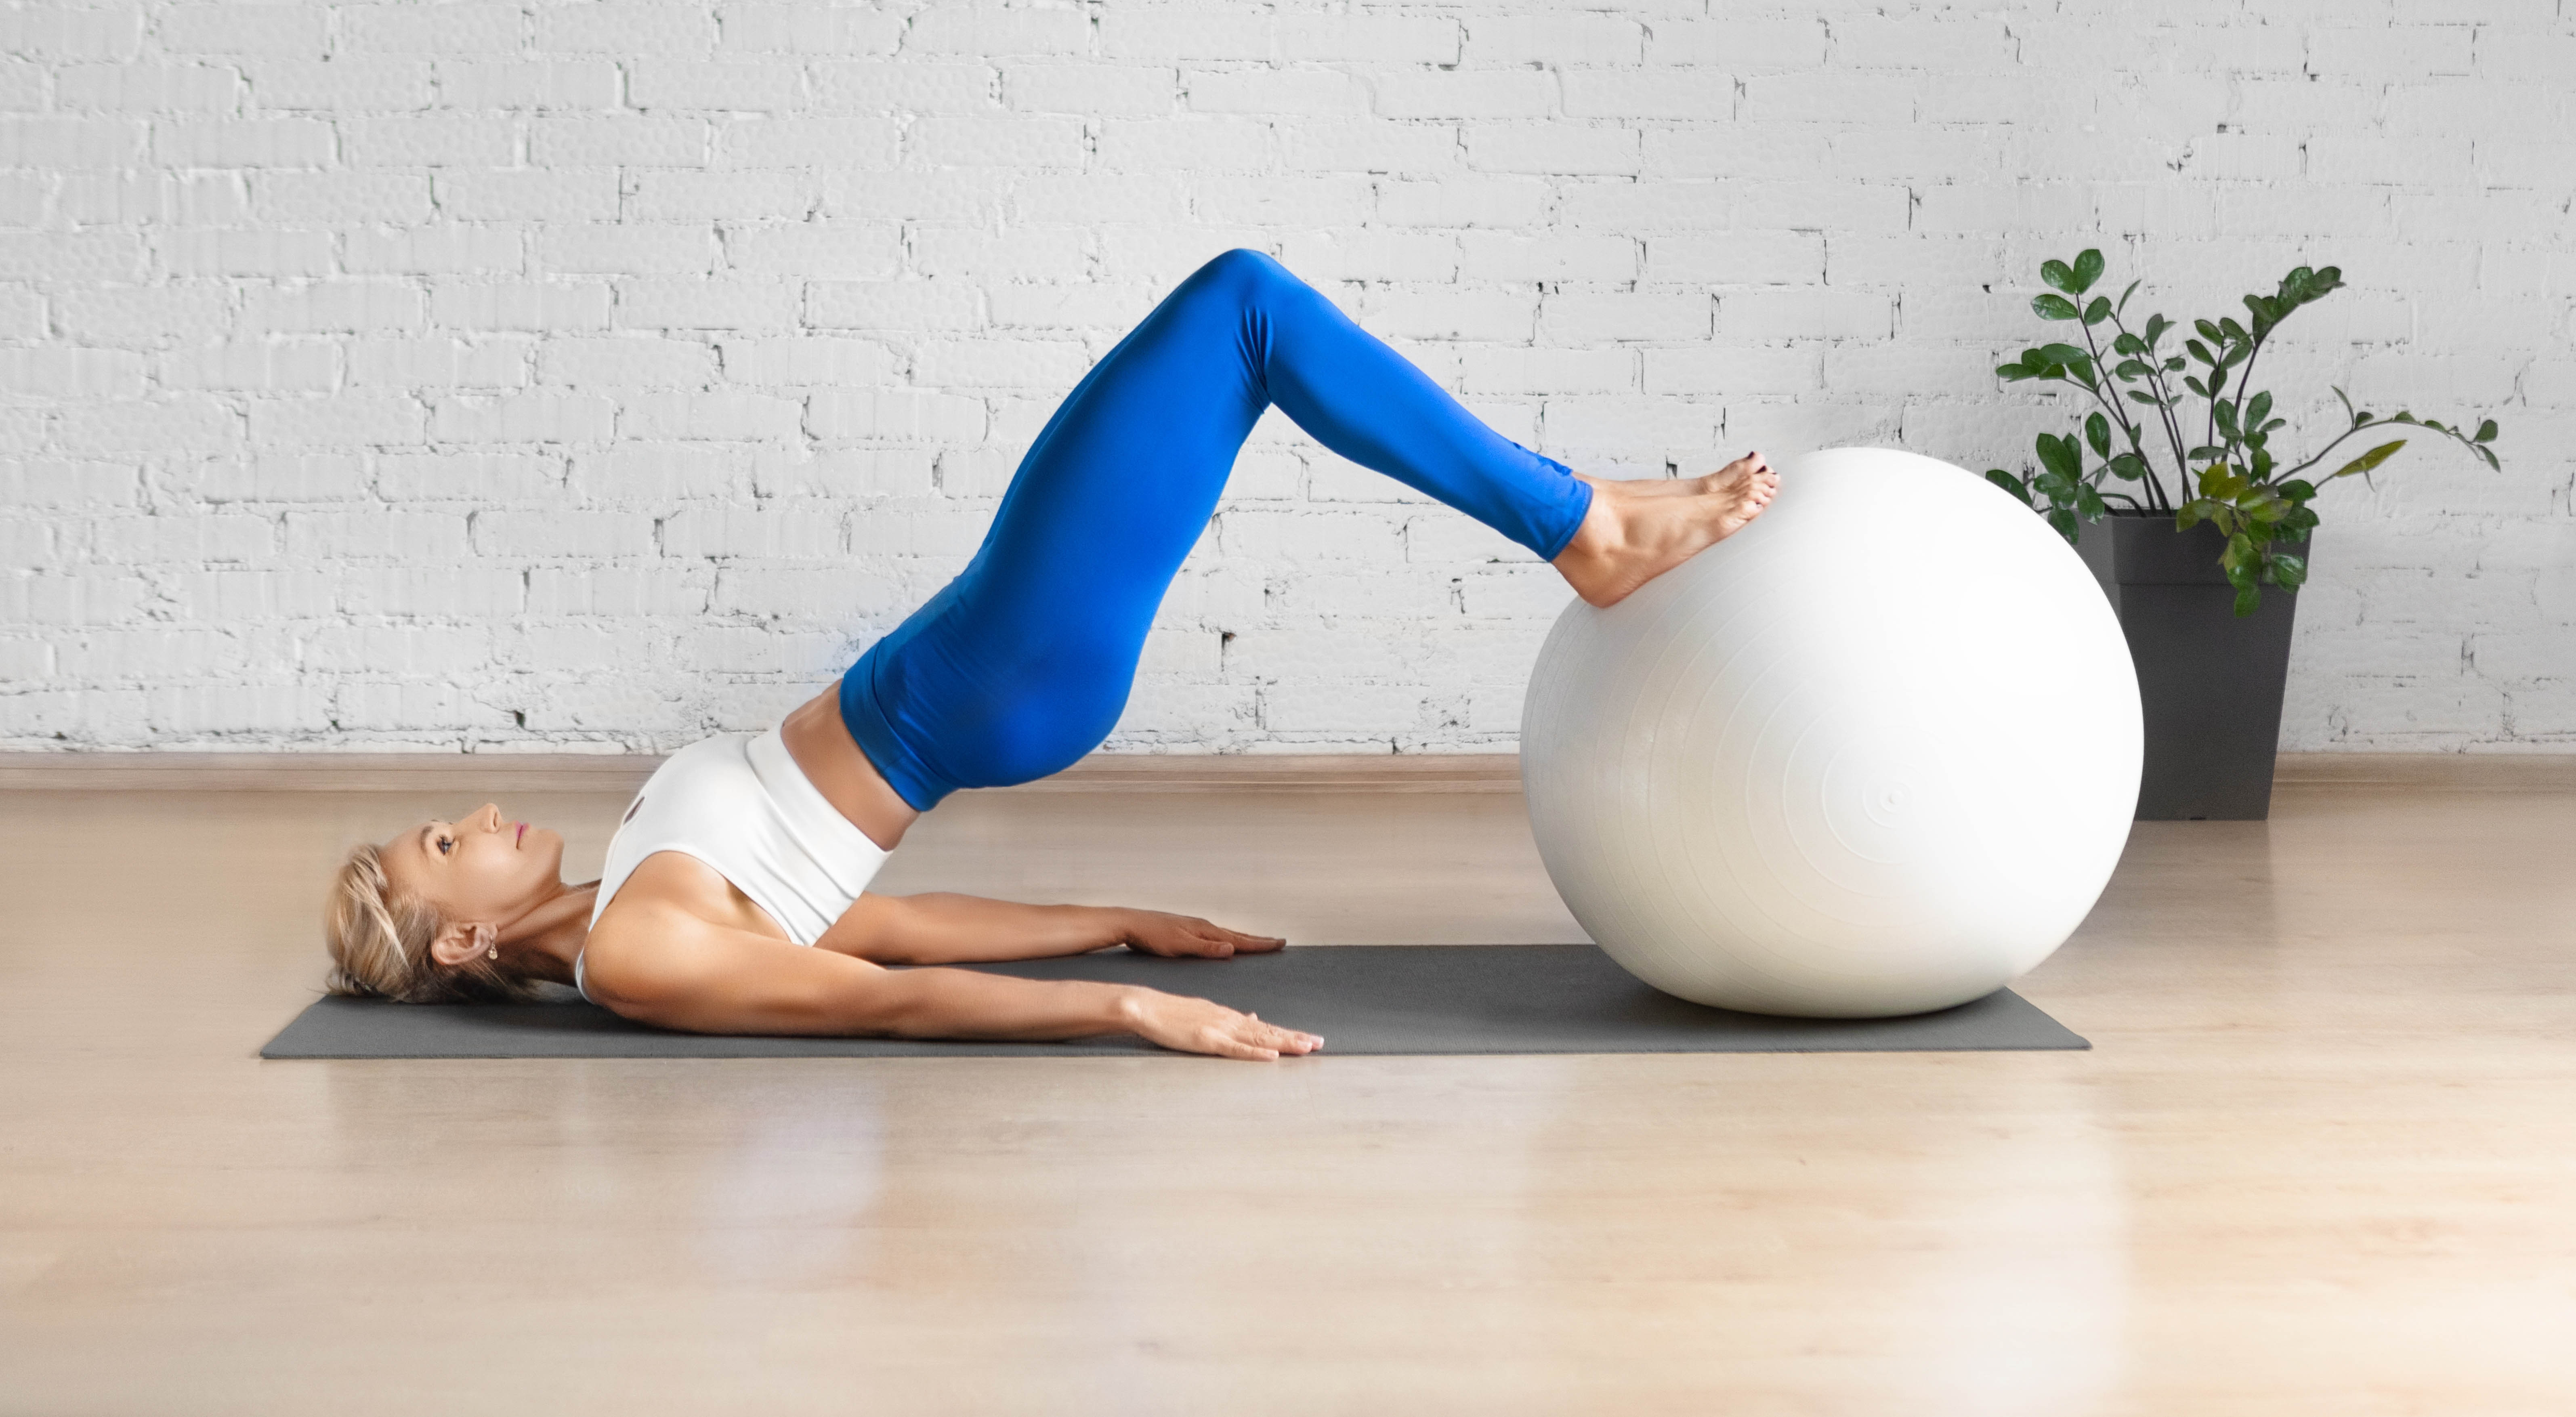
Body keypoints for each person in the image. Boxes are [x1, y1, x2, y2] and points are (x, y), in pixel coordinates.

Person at [325, 250, 1779, 1059]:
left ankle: (1586, 503)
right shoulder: (638, 952)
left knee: (1239, 326)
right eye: (444, 844)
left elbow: (882, 928)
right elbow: (885, 1002)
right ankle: (1583, 527)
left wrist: (1120, 916)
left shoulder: (623, 911)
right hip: (984, 672)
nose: (477, 815)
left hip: (970, 657)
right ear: (460, 937)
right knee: (1242, 310)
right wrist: (1123, 1007)